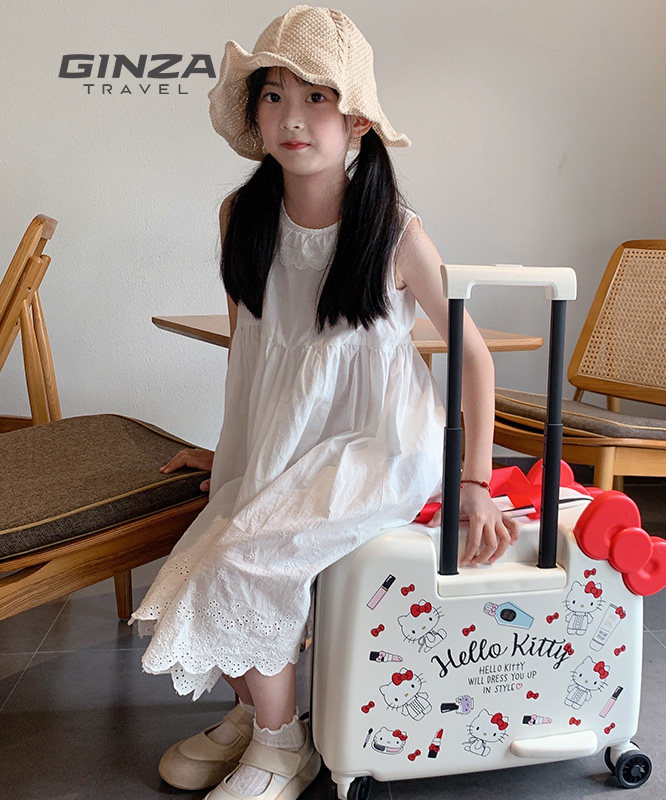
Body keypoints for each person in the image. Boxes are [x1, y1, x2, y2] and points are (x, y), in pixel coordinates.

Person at [129, 6, 519, 800]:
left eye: (316, 98)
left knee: (245, 558)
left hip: (376, 446)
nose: (291, 118)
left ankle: (283, 748)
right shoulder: (242, 217)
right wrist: (227, 451)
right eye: (273, 96)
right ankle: (255, 717)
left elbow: (473, 356)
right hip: (281, 440)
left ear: (358, 121)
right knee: (206, 544)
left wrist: (475, 481)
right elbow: (251, 353)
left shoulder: (394, 231)